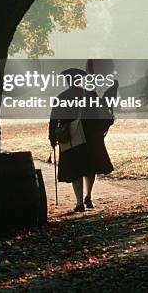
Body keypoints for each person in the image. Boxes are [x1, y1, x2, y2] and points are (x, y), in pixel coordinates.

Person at [48, 68, 114, 212]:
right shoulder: (90, 95)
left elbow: (54, 120)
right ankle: (88, 196)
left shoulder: (61, 97)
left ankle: (79, 203)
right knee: (90, 168)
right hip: (90, 138)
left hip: (70, 138)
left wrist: (52, 138)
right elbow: (101, 114)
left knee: (75, 170)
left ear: (68, 81)